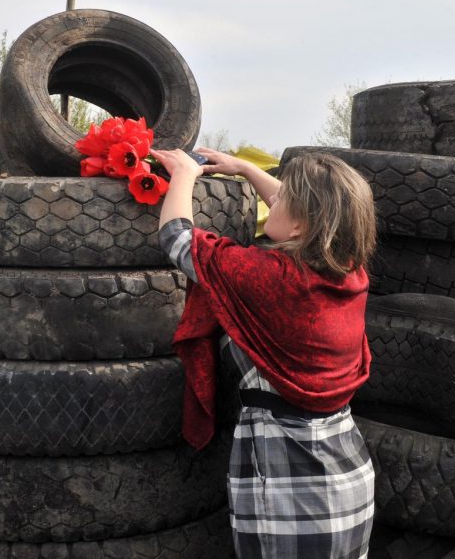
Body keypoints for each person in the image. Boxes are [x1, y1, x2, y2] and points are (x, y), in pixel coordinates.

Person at [149, 146, 376, 559]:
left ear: (301, 225)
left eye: (284, 198)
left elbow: (178, 239)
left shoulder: (271, 277)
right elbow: (301, 216)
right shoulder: (348, 271)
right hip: (347, 476)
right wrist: (245, 169)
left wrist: (183, 174)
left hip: (290, 480)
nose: (274, 200)